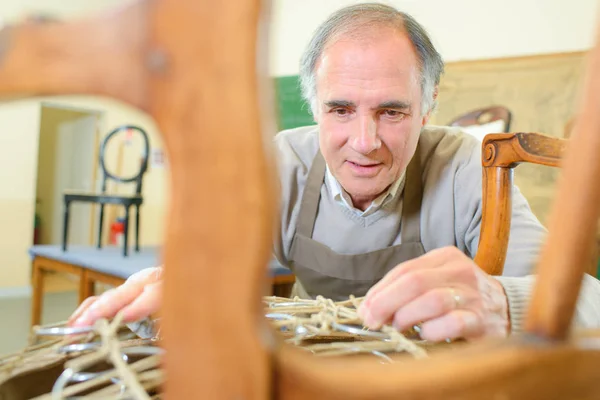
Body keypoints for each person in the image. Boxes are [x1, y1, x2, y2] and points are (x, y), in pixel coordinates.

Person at [68, 3, 600, 342]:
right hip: (312, 362)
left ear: (428, 103)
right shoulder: (281, 165)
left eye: (392, 111)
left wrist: (501, 302)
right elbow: (205, 269)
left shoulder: (465, 167)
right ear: (313, 105)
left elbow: (587, 299)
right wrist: (177, 286)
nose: (364, 143)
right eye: (340, 110)